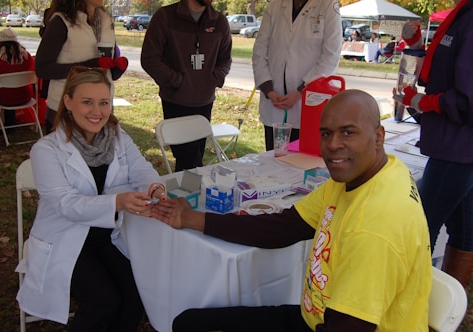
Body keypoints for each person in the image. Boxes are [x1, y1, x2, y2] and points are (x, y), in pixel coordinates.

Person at [152, 89, 432, 331]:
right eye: (326, 133)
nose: (333, 145)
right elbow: (284, 227)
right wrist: (192, 218)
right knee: (190, 323)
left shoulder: (374, 228)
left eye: (348, 132)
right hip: (316, 317)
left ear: (379, 136)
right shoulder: (369, 174)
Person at [16, 67, 166, 331]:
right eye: (87, 102)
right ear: (68, 102)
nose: (97, 112)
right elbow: (66, 203)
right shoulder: (46, 150)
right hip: (66, 239)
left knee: (136, 293)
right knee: (104, 301)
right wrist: (118, 202)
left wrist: (154, 187)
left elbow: (141, 169)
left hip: (108, 235)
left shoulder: (118, 138)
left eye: (104, 102)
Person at [396, 0, 473, 288]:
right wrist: (417, 46)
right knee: (464, 230)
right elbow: (446, 70)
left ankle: (409, 306)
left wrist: (423, 102)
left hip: (457, 147)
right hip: (455, 144)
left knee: (421, 226)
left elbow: (466, 98)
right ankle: (449, 310)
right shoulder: (461, 14)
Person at [140, 0, 232, 171]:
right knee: (187, 158)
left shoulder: (219, 21)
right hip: (176, 101)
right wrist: (177, 81)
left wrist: (213, 79)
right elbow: (150, 58)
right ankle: (189, 193)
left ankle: (189, 193)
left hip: (205, 101)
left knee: (195, 156)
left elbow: (225, 59)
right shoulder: (165, 17)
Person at [252, 0, 341, 151]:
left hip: (308, 102)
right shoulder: (275, 6)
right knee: (274, 159)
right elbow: (259, 51)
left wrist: (302, 92)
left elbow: (331, 56)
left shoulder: (327, 5)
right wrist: (269, 90)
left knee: (303, 162)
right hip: (275, 101)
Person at [35, 0, 129, 134]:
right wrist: (89, 66)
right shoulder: (61, 21)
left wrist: (118, 67)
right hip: (64, 111)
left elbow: (110, 74)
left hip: (99, 111)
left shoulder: (106, 22)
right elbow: (42, 68)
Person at [0, 28, 35, 131]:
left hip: (5, 99)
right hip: (26, 96)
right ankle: (10, 125)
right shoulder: (27, 56)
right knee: (10, 91)